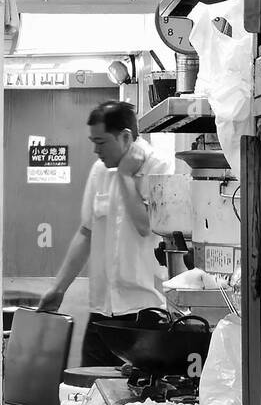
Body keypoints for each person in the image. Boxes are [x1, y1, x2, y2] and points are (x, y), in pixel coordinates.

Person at [37, 101, 173, 367]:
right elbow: (86, 232)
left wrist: (124, 177)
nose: (95, 150)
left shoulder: (159, 167)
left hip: (143, 314)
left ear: (125, 137)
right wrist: (58, 288)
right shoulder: (100, 171)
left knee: (138, 403)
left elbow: (145, 226)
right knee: (91, 398)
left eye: (101, 142)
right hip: (101, 310)